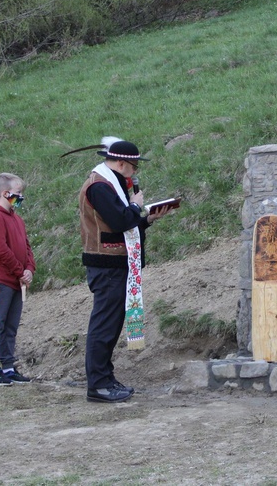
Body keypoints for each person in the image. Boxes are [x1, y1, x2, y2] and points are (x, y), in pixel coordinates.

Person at [77, 136, 172, 403]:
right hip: (107, 266)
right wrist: (135, 205)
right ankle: (97, 384)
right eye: (134, 167)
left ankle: (105, 379)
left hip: (115, 264)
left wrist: (147, 219)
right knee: (104, 326)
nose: (135, 172)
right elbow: (120, 220)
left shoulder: (109, 184)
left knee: (110, 324)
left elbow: (124, 224)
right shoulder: (100, 187)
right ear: (122, 164)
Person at [0, 173, 36, 386]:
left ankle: (8, 366)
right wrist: (19, 270)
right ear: (6, 193)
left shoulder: (17, 219)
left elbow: (27, 246)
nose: (20, 197)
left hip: (16, 280)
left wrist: (29, 268)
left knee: (11, 325)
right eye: (18, 193)